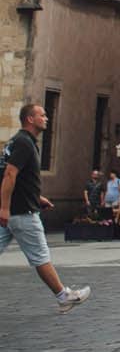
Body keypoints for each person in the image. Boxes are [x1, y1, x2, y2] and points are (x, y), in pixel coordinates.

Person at [3, 103, 91, 312]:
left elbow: (18, 179)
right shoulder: (24, 143)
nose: (47, 118)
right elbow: (9, 175)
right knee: (40, 257)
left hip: (16, 210)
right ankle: (64, 296)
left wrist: (37, 197)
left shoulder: (17, 141)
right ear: (30, 119)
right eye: (42, 115)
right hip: (22, 214)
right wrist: (4, 208)